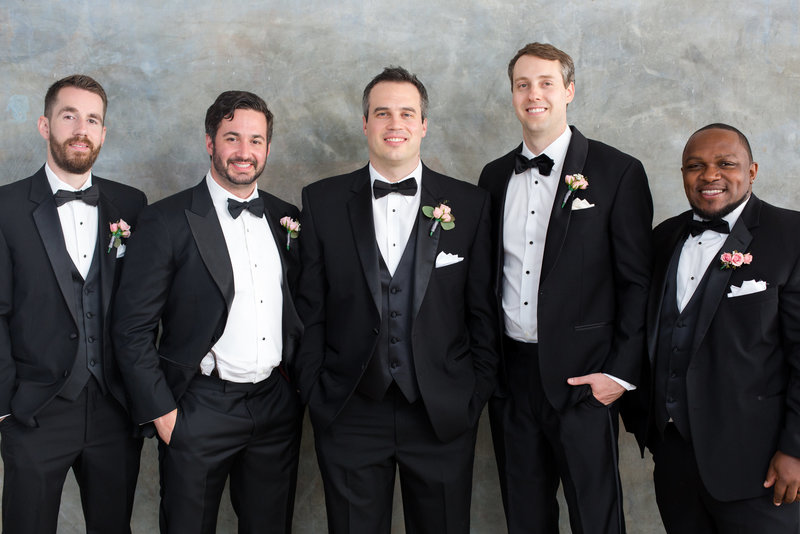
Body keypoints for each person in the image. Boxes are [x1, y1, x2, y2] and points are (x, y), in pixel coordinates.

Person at [295, 66, 498, 534]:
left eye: (407, 113)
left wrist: (472, 395)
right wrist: (316, 390)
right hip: (349, 411)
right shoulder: (322, 202)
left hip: (442, 414)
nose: (395, 123)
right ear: (365, 124)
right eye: (382, 112)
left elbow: (481, 313)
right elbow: (311, 310)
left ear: (423, 125)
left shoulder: (469, 205)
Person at [478, 42, 653, 534]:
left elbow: (637, 282)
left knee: (596, 519)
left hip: (585, 382)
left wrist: (617, 374)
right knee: (525, 518)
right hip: (512, 381)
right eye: (522, 84)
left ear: (569, 91)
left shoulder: (618, 173)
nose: (534, 94)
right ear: (513, 95)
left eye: (546, 83)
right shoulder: (492, 178)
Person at [111, 90, 303, 534]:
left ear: (268, 148)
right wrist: (164, 414)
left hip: (275, 405)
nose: (244, 151)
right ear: (209, 142)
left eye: (255, 140)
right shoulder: (166, 220)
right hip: (198, 406)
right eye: (231, 137)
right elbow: (131, 328)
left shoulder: (285, 218)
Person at [631, 123, 800, 533]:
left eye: (726, 164)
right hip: (675, 462)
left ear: (753, 171)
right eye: (695, 166)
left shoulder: (790, 234)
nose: (709, 176)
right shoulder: (663, 238)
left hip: (761, 467)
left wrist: (795, 450)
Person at [0, 74, 146, 534]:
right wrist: (6, 405)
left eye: (92, 119)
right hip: (34, 409)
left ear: (103, 132)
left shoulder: (132, 205)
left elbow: (145, 306)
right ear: (45, 125)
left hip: (114, 409)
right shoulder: (4, 207)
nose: (81, 129)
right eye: (69, 116)